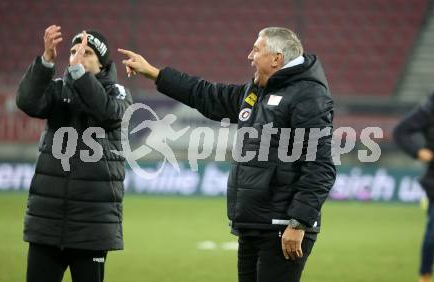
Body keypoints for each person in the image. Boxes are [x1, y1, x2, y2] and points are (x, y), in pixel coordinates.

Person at [118, 26, 336, 282]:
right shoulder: (255, 91)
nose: (249, 56)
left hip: (283, 226)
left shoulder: (309, 95)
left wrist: (299, 222)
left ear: (277, 58)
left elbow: (320, 166)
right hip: (254, 223)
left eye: (256, 50)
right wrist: (156, 74)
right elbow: (206, 94)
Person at [16, 25, 132, 282]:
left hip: (92, 227)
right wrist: (46, 61)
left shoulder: (118, 93)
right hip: (47, 221)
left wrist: (78, 73)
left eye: (87, 52)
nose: (78, 55)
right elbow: (27, 102)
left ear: (101, 64)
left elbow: (107, 112)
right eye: (73, 51)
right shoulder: (58, 90)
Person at [393, 91, 434, 282]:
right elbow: (400, 131)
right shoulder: (431, 108)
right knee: (432, 233)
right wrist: (418, 151)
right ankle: (425, 276)